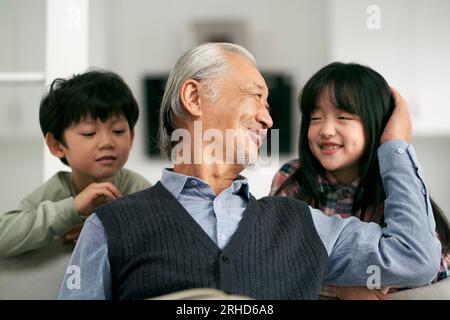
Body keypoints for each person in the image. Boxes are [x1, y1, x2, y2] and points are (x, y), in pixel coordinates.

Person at [59, 43, 440, 300]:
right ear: (194, 97)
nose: (268, 116)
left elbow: (415, 257)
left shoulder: (308, 224)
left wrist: (393, 146)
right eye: (256, 95)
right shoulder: (111, 225)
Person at [270, 62, 450, 299]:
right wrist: (341, 289)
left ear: (378, 124)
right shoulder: (292, 177)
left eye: (343, 117)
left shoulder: (396, 178)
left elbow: (434, 266)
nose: (326, 130)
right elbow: (273, 262)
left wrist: (395, 145)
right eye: (315, 118)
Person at [0, 70, 151, 258]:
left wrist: (105, 232)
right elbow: (3, 236)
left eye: (118, 131)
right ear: (57, 145)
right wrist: (72, 209)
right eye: (89, 133)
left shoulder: (139, 189)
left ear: (132, 137)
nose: (107, 142)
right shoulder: (56, 191)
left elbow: (164, 237)